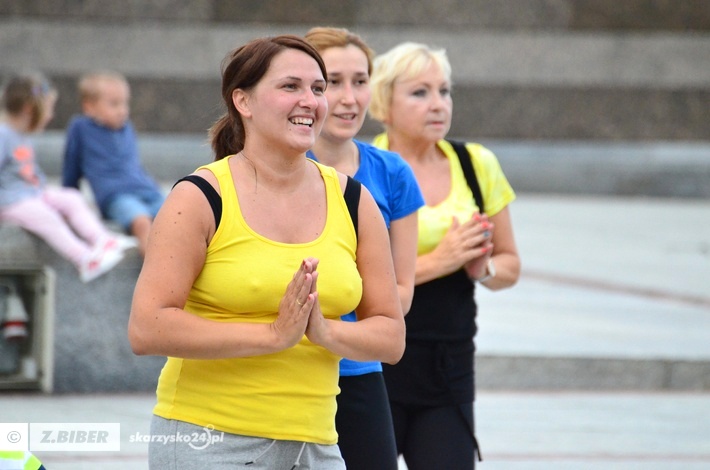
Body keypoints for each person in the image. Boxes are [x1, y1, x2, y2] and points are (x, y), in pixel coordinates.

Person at [127, 35, 405, 469]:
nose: (310, 101)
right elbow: (147, 328)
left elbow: (391, 336)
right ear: (243, 101)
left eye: (317, 88)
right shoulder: (200, 196)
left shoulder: (354, 200)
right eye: (290, 86)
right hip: (209, 443)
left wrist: (326, 333)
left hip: (316, 446)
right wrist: (273, 336)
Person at [369, 42, 521, 469]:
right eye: (420, 93)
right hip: (375, 364)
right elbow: (351, 279)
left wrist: (482, 268)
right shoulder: (364, 168)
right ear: (384, 104)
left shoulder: (476, 163)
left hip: (448, 365)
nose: (438, 104)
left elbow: (510, 264)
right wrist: (442, 260)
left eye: (444, 91)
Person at [304, 27, 424, 470]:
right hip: (281, 369)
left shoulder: (392, 173)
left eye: (360, 81)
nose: (350, 98)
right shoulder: (270, 169)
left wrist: (333, 327)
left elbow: (401, 292)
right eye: (333, 82)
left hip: (358, 371)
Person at [0, 72, 129, 283]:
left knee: (71, 198)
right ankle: (84, 259)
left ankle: (102, 240)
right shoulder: (3, 135)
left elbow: (27, 172)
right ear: (29, 109)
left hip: (31, 193)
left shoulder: (22, 135)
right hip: (11, 202)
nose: (50, 116)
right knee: (46, 216)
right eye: (48, 110)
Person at [62, 70, 164, 256]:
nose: (122, 110)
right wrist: (69, 203)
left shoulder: (127, 128)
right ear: (89, 107)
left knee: (179, 217)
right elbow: (71, 167)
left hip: (146, 190)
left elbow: (133, 165)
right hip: (116, 196)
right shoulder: (80, 128)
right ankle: (157, 266)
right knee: (142, 223)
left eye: (125, 103)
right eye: (114, 104)